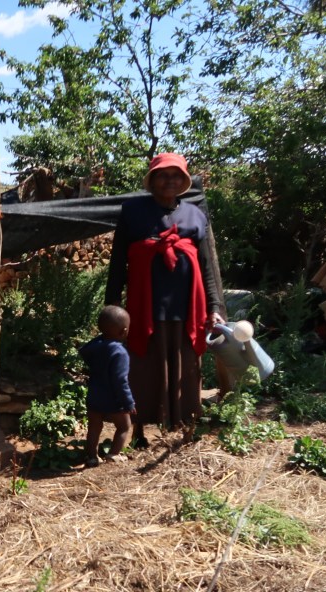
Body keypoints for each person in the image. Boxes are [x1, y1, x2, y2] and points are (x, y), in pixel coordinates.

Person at [105, 153, 225, 446]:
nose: (169, 180)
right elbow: (119, 261)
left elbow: (207, 265)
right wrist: (112, 307)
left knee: (187, 366)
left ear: (184, 181)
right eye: (163, 174)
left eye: (176, 175)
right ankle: (140, 431)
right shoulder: (133, 211)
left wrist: (215, 307)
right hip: (145, 306)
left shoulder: (195, 215)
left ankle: (185, 426)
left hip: (187, 306)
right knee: (143, 366)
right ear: (152, 180)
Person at [79, 305, 136, 468]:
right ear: (124, 331)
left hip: (94, 397)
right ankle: (114, 454)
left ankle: (91, 457)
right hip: (114, 400)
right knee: (124, 426)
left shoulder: (95, 348)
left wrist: (102, 335)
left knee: (94, 427)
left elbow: (84, 350)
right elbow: (120, 381)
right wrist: (128, 403)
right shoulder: (120, 353)